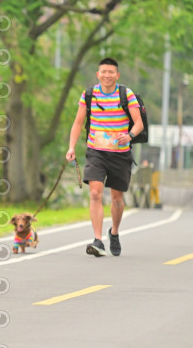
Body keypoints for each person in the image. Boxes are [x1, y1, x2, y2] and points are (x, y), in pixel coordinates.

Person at [66, 57, 143, 257]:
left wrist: (129, 135)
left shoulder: (126, 94)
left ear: (117, 75)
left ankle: (114, 232)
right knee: (95, 193)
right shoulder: (89, 95)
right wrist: (71, 147)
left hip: (120, 153)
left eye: (111, 72)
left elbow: (139, 123)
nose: (107, 75)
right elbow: (77, 123)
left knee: (117, 199)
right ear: (98, 74)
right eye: (103, 72)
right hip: (96, 152)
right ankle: (98, 240)